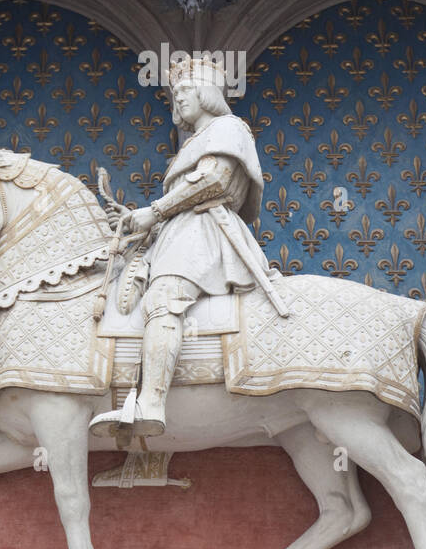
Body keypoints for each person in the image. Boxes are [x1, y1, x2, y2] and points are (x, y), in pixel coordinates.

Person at [89, 51, 286, 439]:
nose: (178, 98)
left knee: (164, 298)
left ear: (208, 93)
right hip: (180, 232)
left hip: (206, 232)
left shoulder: (230, 129)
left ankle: (151, 403)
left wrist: (154, 210)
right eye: (175, 92)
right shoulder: (197, 141)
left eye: (185, 90)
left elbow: (213, 182)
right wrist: (138, 220)